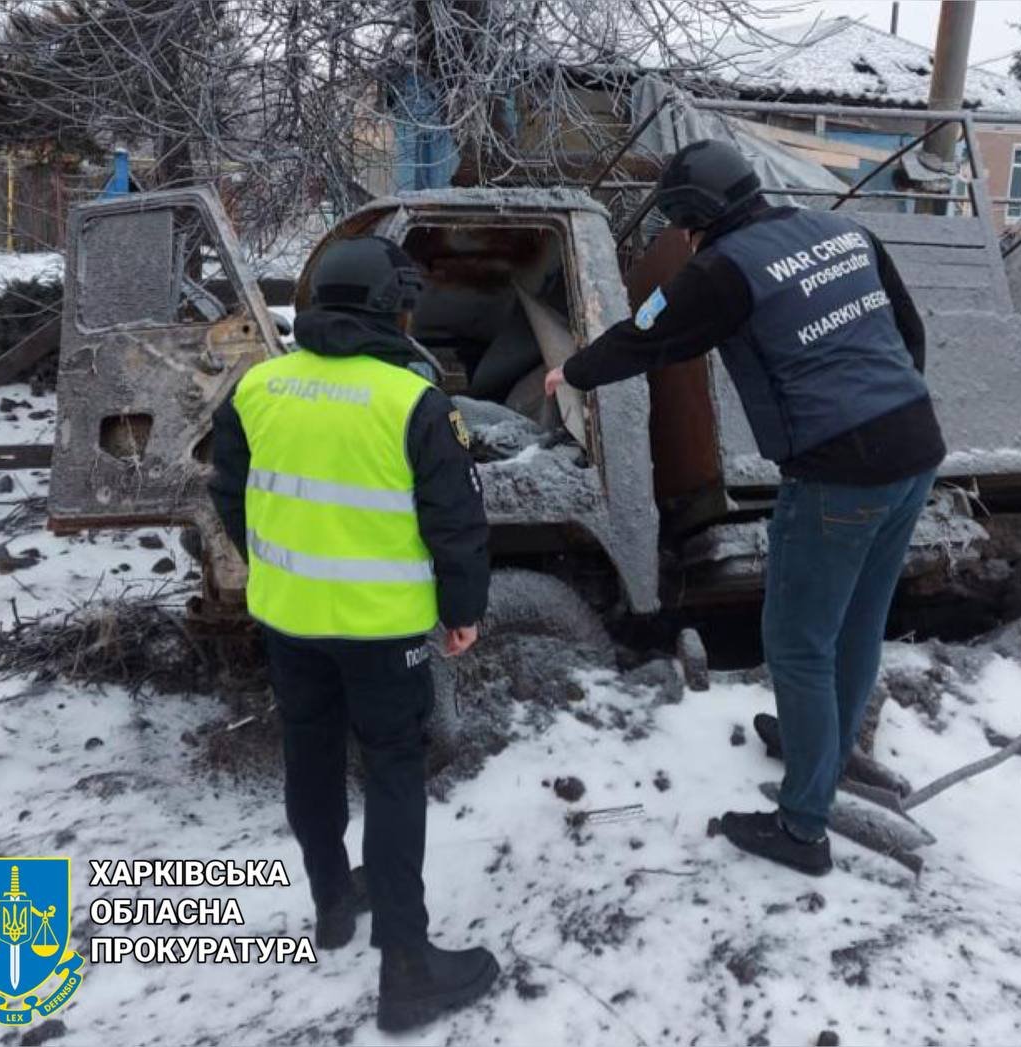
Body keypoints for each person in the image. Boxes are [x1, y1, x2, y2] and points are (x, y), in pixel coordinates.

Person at [546, 140, 946, 877]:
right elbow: (908, 332)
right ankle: (820, 747)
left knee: (797, 642)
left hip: (837, 472)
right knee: (856, 619)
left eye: (679, 223)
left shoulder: (722, 269)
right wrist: (881, 411)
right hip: (914, 444)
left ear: (695, 217)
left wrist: (570, 371)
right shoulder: (844, 232)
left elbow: (645, 336)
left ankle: (801, 828)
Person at [209, 235, 499, 1030]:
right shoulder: (413, 401)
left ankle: (332, 900)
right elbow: (459, 523)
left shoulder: (259, 387)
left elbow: (229, 493)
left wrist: (278, 566)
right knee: (395, 774)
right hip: (385, 632)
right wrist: (463, 610)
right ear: (389, 309)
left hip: (291, 622)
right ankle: (407, 964)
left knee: (310, 754)